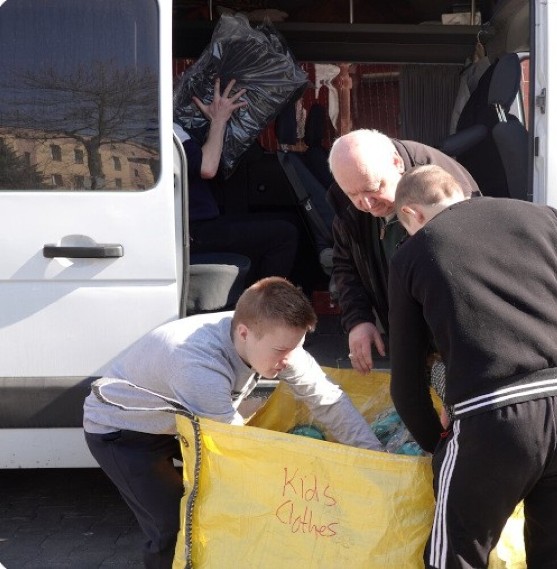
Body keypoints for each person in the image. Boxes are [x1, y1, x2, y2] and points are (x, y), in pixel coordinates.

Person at [388, 165, 557, 568]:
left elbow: (406, 384)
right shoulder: (544, 218)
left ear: (412, 214)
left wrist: (438, 442)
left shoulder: (412, 255)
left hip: (493, 418)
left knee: (456, 557)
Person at [82, 277, 383, 569]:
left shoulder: (273, 336)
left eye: (297, 346)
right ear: (243, 333)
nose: (289, 360)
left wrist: (376, 460)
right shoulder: (197, 364)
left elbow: (327, 400)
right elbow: (237, 451)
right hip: (121, 431)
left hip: (176, 419)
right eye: (281, 351)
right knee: (174, 524)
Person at [326, 129, 479, 374]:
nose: (365, 204)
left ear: (397, 163)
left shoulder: (446, 190)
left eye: (373, 188)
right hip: (404, 334)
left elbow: (470, 280)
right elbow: (346, 263)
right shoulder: (353, 183)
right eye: (352, 194)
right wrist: (357, 320)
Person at [175, 77, 301, 285]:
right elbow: (207, 167)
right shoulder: (166, 129)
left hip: (194, 225)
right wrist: (219, 119)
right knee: (284, 235)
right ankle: (262, 310)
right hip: (191, 231)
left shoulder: (162, 128)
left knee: (289, 222)